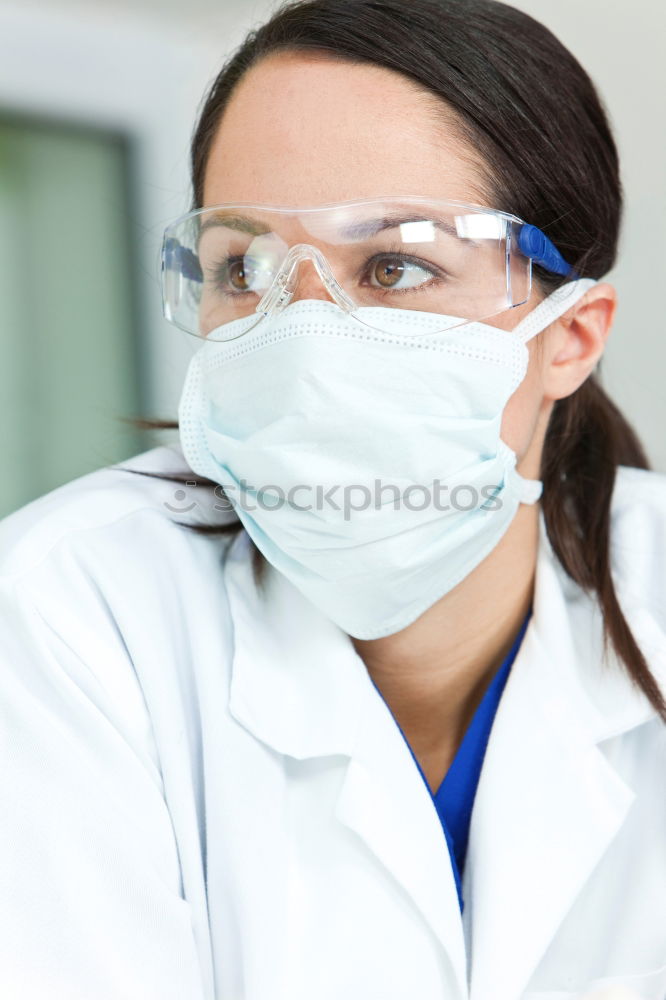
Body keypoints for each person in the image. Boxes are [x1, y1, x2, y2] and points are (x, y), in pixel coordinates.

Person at [0, 0, 665, 998]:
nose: (303, 347)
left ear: (570, 335)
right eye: (243, 267)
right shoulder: (73, 613)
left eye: (396, 266)